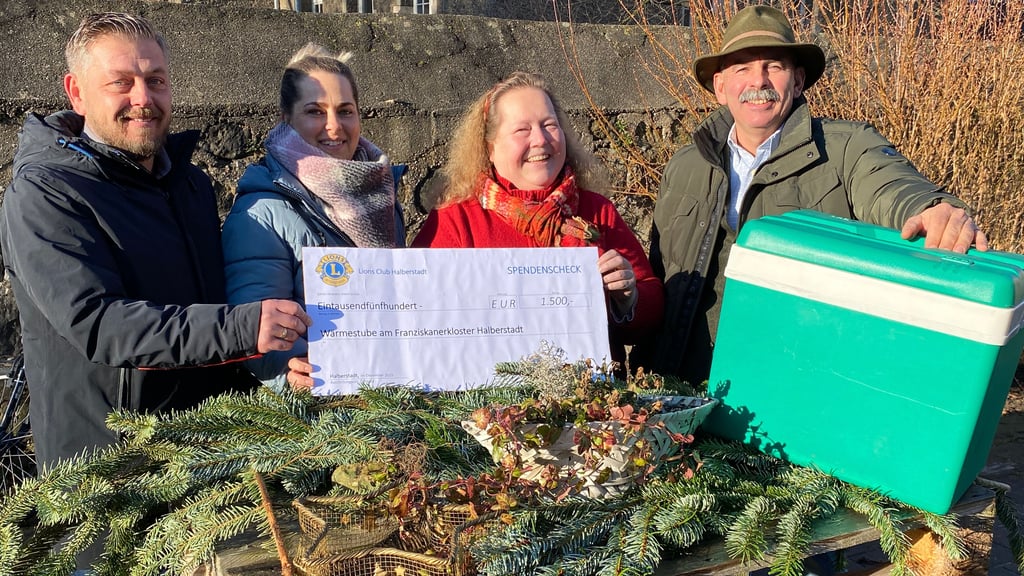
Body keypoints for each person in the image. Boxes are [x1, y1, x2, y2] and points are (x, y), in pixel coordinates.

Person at [0, 12, 313, 476]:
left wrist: (281, 366)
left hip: (208, 454)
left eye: (156, 80)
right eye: (121, 83)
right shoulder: (45, 193)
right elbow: (97, 322)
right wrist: (245, 328)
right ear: (77, 92)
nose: (143, 99)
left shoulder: (191, 186)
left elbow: (214, 305)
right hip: (108, 469)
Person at [644, 5, 988, 386]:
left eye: (774, 66)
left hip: (790, 388)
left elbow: (889, 183)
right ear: (721, 87)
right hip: (681, 389)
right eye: (742, 67)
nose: (758, 80)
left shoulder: (846, 149)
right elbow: (662, 279)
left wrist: (931, 209)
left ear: (798, 81)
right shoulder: (685, 166)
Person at [411, 71, 664, 370]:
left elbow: (650, 314)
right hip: (486, 404)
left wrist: (628, 298)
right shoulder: (455, 220)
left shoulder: (597, 212)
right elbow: (420, 315)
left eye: (549, 125)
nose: (540, 140)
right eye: (522, 130)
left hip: (589, 404)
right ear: (490, 148)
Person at [221, 43, 405, 390]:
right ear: (285, 119)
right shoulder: (261, 213)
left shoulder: (381, 193)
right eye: (315, 112)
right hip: (320, 411)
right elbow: (254, 325)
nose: (334, 127)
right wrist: (289, 372)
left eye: (345, 110)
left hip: (388, 392)